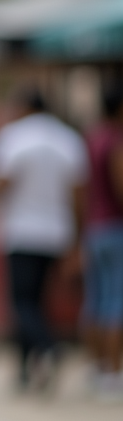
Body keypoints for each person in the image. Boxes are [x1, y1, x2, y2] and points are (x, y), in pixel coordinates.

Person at [0, 89, 87, 393]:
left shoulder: (14, 138)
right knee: (38, 301)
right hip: (56, 232)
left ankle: (48, 347)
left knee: (22, 302)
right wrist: (76, 236)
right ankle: (25, 369)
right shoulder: (68, 140)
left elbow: (3, 181)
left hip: (21, 232)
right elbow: (77, 193)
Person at [82, 85, 123, 400]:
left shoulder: (91, 139)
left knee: (96, 301)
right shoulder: (115, 141)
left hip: (94, 227)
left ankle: (97, 369)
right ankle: (113, 372)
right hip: (114, 227)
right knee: (115, 301)